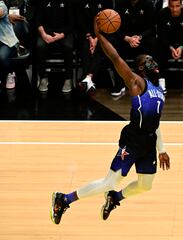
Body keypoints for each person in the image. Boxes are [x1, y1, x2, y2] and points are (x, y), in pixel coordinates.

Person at [50, 16, 170, 224]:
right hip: (133, 140)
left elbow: (156, 123)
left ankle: (115, 198)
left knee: (145, 185)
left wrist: (162, 149)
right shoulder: (136, 82)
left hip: (149, 142)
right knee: (110, 181)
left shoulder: (159, 91)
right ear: (140, 68)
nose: (153, 62)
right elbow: (115, 57)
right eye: (148, 60)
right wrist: (99, 35)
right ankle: (64, 199)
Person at [76, 0, 125, 96]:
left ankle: (87, 79)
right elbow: (80, 21)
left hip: (105, 34)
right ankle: (89, 81)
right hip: (87, 35)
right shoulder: (81, 3)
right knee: (86, 48)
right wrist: (90, 37)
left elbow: (109, 21)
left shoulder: (108, 2)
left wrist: (97, 38)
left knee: (103, 47)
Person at [156, 0, 183, 94]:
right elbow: (161, 35)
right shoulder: (162, 13)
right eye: (172, 6)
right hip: (168, 44)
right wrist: (170, 47)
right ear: (168, 5)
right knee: (158, 48)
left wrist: (181, 47)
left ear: (181, 6)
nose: (174, 9)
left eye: (177, 6)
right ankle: (161, 81)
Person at [36, 0, 74, 93]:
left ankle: (68, 78)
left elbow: (72, 23)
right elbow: (38, 21)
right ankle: (43, 77)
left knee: (68, 46)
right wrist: (44, 35)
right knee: (40, 46)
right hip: (46, 32)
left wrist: (61, 35)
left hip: (64, 33)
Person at [0, 0, 19, 90]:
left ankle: (10, 73)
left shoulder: (2, 5)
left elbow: (0, 12)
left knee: (2, 56)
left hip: (7, 41)